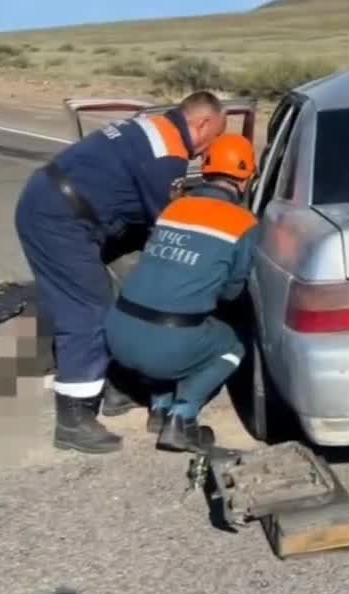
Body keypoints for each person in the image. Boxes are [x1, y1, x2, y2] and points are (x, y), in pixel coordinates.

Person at [15, 91, 227, 454]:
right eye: (215, 136)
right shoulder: (168, 156)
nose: (210, 150)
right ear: (203, 123)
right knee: (88, 312)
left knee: (116, 293)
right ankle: (73, 420)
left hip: (56, 202)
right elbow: (171, 227)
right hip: (59, 219)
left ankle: (115, 388)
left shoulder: (153, 127)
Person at [103, 133, 258, 453]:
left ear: (205, 169)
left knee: (168, 317)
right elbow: (232, 293)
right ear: (245, 179)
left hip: (118, 335)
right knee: (236, 341)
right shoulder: (244, 223)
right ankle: (182, 418)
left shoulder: (173, 209)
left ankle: (159, 409)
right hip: (166, 348)